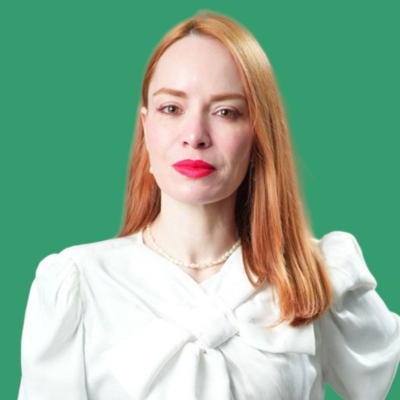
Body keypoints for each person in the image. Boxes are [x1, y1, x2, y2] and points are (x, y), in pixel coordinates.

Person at [18, 11, 400, 400]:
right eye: (172, 108)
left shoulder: (316, 274)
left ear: (258, 133)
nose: (195, 135)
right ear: (145, 126)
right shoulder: (77, 285)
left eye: (225, 112)